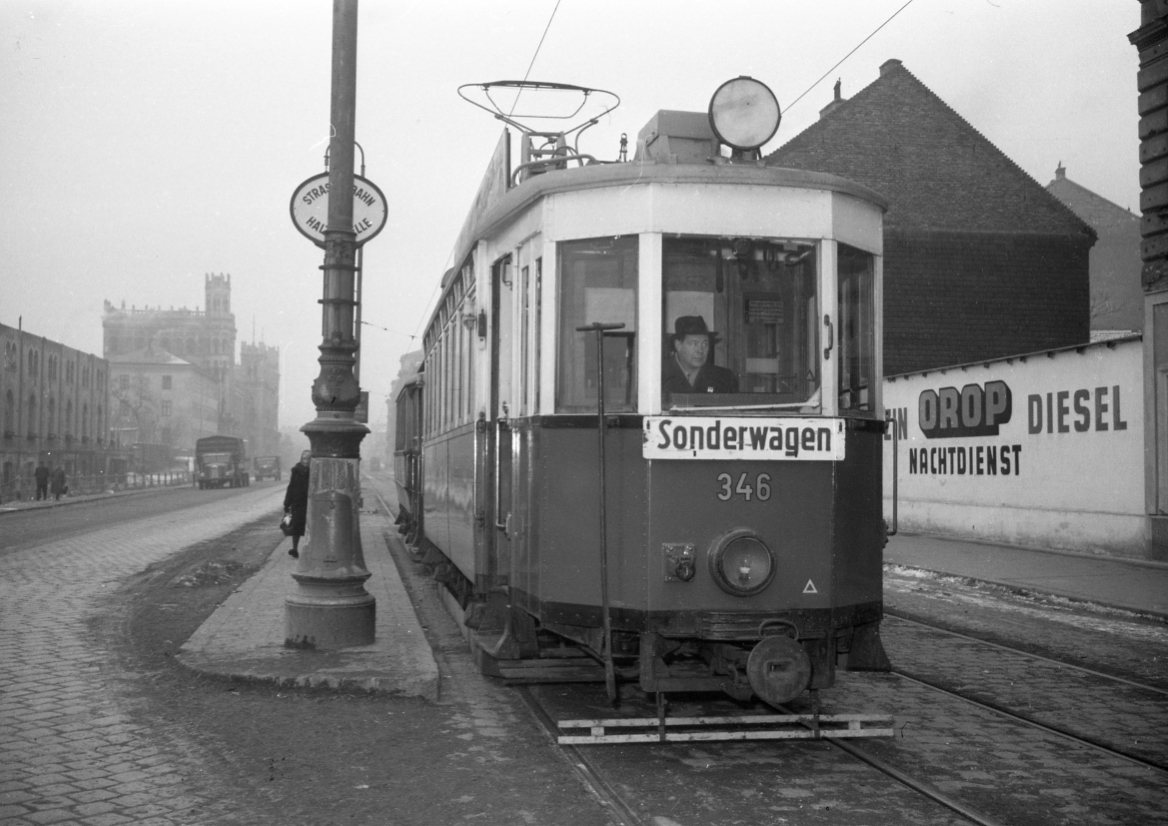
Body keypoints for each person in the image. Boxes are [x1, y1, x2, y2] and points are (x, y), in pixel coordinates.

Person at [661, 315, 738, 400]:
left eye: (705, 344)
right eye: (694, 343)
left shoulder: (724, 378)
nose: (700, 350)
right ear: (678, 345)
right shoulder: (659, 375)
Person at [283, 450, 311, 558]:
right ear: (301, 459)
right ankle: (294, 548)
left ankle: (309, 548)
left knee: (309, 526)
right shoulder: (296, 470)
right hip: (297, 502)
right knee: (296, 526)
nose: (306, 461)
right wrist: (287, 503)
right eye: (304, 458)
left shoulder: (314, 470)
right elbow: (291, 487)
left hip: (309, 502)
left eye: (308, 459)